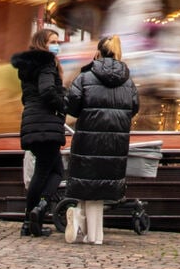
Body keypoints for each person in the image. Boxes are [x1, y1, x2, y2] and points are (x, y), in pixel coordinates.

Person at [63, 35, 140, 245]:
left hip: (88, 138)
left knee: (86, 183)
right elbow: (134, 108)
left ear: (97, 52)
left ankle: (79, 217)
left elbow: (72, 106)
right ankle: (95, 235)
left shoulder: (85, 77)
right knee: (100, 186)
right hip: (115, 141)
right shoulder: (128, 81)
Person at [11, 28, 67, 237]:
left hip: (33, 121)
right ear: (43, 43)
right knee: (53, 172)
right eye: (53, 41)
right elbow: (46, 90)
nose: (56, 44)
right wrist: (62, 104)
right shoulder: (46, 63)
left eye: (57, 41)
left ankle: (29, 221)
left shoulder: (29, 66)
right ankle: (38, 210)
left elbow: (28, 96)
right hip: (46, 122)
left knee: (46, 171)